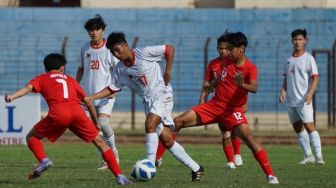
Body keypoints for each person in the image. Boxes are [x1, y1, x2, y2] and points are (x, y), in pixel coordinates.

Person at [88, 31, 204, 181]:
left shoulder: (143, 53)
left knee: (149, 125)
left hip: (161, 93)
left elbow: (169, 49)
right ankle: (196, 168)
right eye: (113, 52)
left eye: (118, 50)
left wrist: (168, 71)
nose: (116, 54)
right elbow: (112, 88)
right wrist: (92, 97)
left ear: (126, 45)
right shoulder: (119, 69)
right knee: (166, 139)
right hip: (148, 101)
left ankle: (150, 165)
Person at [4, 54, 131, 185]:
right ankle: (119, 176)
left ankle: (43, 160)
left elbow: (27, 89)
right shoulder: (71, 80)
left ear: (46, 68)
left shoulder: (41, 78)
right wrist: (95, 122)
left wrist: (12, 97)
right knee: (101, 143)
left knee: (32, 137)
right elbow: (88, 102)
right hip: (77, 113)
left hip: (58, 113)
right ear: (62, 68)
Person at [173, 32, 279, 184]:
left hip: (233, 111)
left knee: (249, 140)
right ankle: (155, 160)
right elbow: (219, 78)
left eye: (231, 49)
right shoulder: (226, 62)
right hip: (214, 105)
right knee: (177, 122)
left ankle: (270, 175)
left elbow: (254, 88)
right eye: (226, 49)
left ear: (241, 48)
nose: (227, 52)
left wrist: (242, 84)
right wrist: (207, 90)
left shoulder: (250, 68)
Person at [155, 34, 244, 170]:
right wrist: (202, 98)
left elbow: (245, 85)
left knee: (229, 131)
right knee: (177, 122)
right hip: (215, 104)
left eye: (226, 48)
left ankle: (235, 156)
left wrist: (242, 104)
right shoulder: (214, 64)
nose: (223, 51)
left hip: (231, 106)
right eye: (220, 48)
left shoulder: (236, 64)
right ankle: (157, 157)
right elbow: (208, 83)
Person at [76, 14, 119, 170]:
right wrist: (76, 87)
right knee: (88, 128)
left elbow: (117, 70)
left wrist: (115, 89)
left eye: (97, 29)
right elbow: (81, 69)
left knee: (102, 123)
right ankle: (106, 155)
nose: (94, 33)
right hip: (87, 96)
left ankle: (112, 154)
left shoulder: (110, 48)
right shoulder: (84, 48)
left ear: (103, 30)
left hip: (106, 94)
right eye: (91, 30)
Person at [279, 29, 324, 165]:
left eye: (300, 39)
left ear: (305, 40)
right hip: (291, 101)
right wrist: (283, 91)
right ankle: (308, 155)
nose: (297, 42)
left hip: (304, 100)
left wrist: (310, 93)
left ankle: (319, 157)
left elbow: (315, 78)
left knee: (310, 126)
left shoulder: (309, 58)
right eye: (295, 39)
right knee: (298, 128)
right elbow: (287, 77)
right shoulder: (289, 60)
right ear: (292, 41)